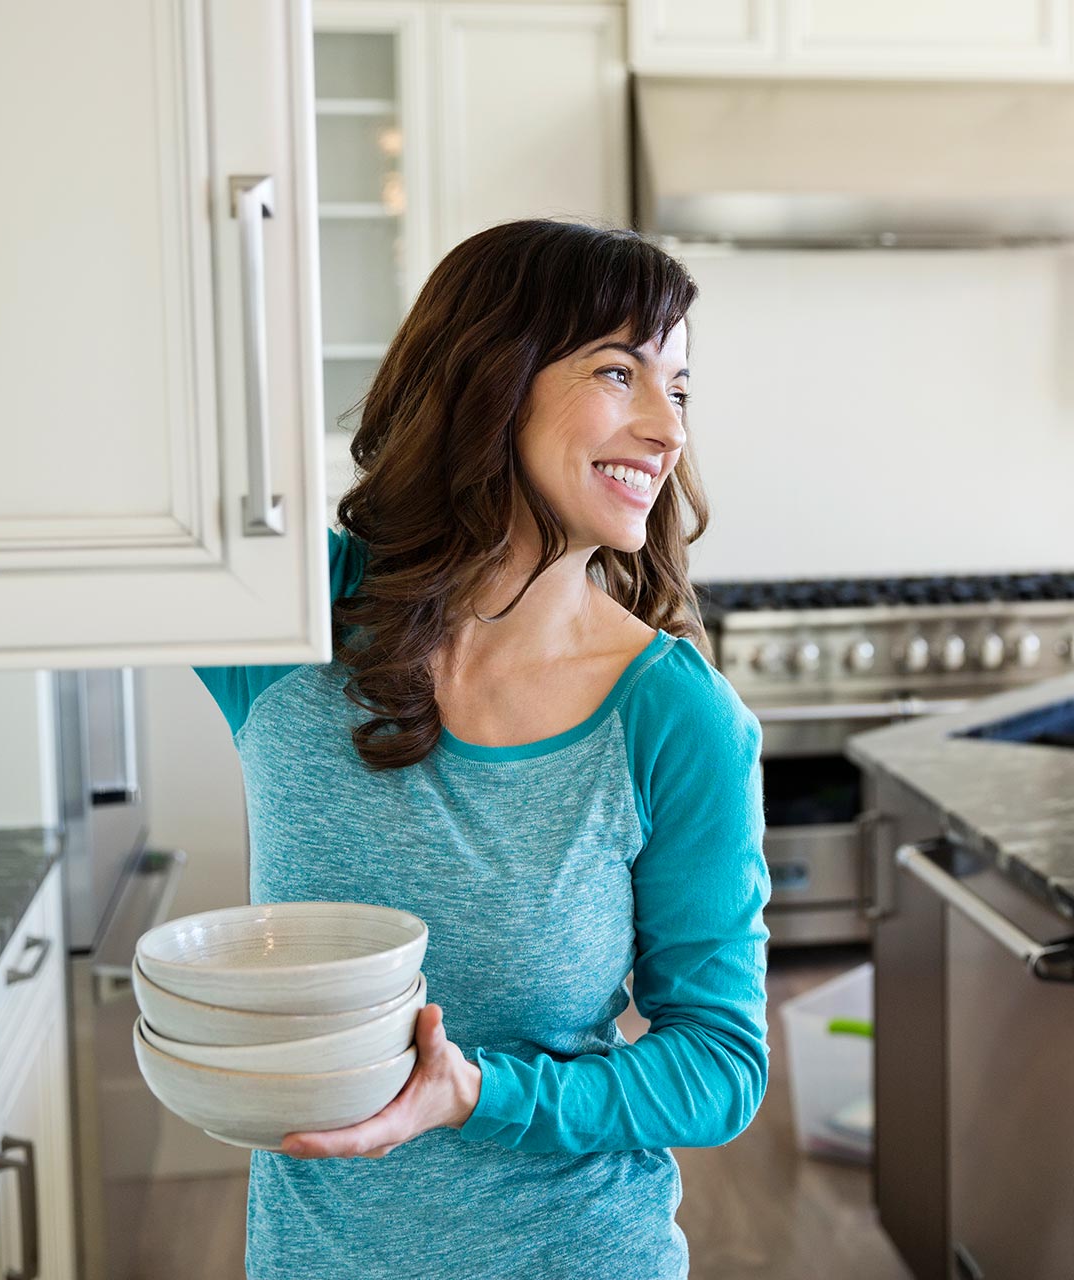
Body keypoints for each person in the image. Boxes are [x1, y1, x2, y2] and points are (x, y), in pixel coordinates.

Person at [193, 218, 770, 1278]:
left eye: (678, 388)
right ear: (487, 380)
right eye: (618, 370)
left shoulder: (676, 718)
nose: (666, 429)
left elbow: (719, 1065)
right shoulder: (294, 620)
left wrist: (477, 1092)